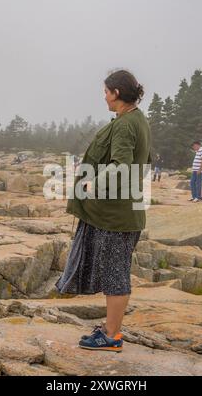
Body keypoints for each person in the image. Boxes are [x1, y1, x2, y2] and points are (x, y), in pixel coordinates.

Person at [55, 70, 151, 353]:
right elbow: (141, 163)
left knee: (115, 275)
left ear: (117, 93)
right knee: (114, 272)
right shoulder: (137, 120)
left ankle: (112, 336)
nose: (104, 96)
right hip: (122, 211)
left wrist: (91, 184)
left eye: (106, 91)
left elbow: (121, 164)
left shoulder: (124, 125)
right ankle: (111, 331)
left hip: (116, 217)